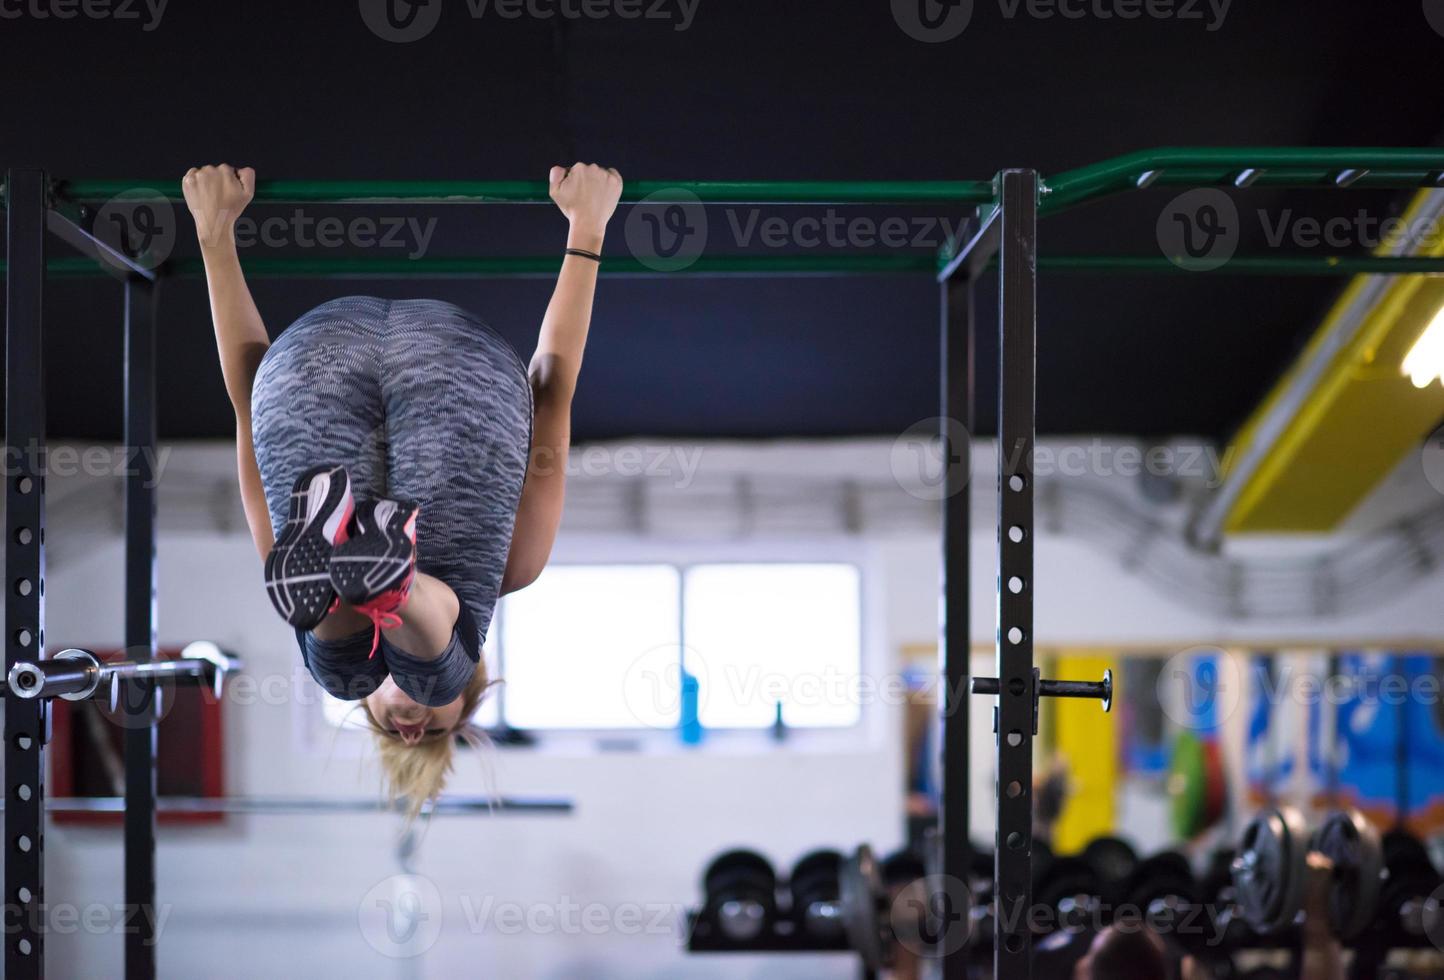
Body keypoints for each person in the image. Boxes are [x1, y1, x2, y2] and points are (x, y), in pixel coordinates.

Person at [182, 161, 623, 813]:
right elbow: (551, 392)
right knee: (376, 662)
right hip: (450, 375)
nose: (412, 724)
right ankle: (393, 585)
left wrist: (214, 233)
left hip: (315, 376)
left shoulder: (345, 658)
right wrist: (587, 229)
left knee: (339, 672)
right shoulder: (513, 564)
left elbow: (251, 403)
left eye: (391, 726)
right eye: (436, 726)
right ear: (473, 688)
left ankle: (355, 574)